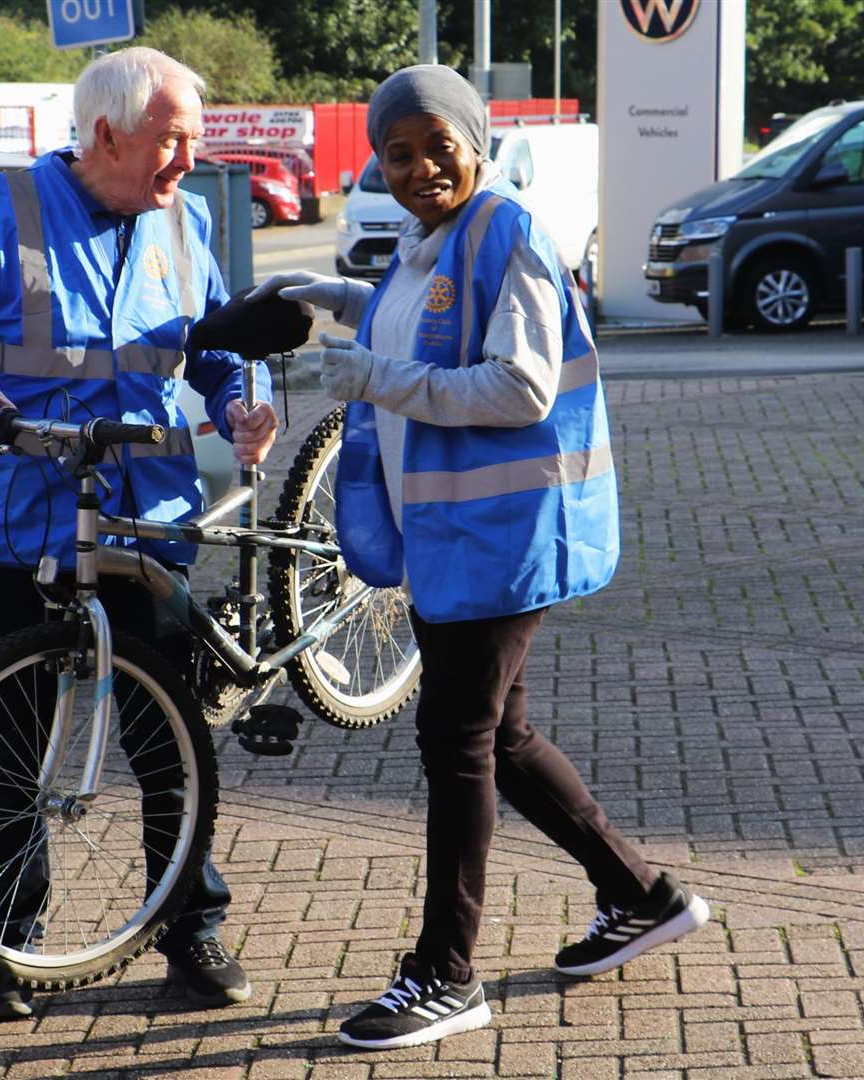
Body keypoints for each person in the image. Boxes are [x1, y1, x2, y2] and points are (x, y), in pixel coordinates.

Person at [250, 64, 708, 1051]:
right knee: (499, 738)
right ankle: (641, 896)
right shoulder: (435, 241)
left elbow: (518, 386)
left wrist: (372, 373)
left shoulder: (504, 231)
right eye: (396, 153)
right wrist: (341, 297)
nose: (418, 168)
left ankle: (444, 975)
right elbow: (429, 316)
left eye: (436, 146)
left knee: (455, 742)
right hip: (461, 540)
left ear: (476, 140)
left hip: (500, 540)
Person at [0, 47, 277, 1020]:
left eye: (194, 142)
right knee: (13, 744)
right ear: (106, 136)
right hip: (22, 521)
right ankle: (6, 943)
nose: (188, 161)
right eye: (174, 142)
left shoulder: (184, 217)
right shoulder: (4, 211)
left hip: (145, 520)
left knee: (168, 738)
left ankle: (191, 929)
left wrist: (242, 400)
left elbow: (211, 344)